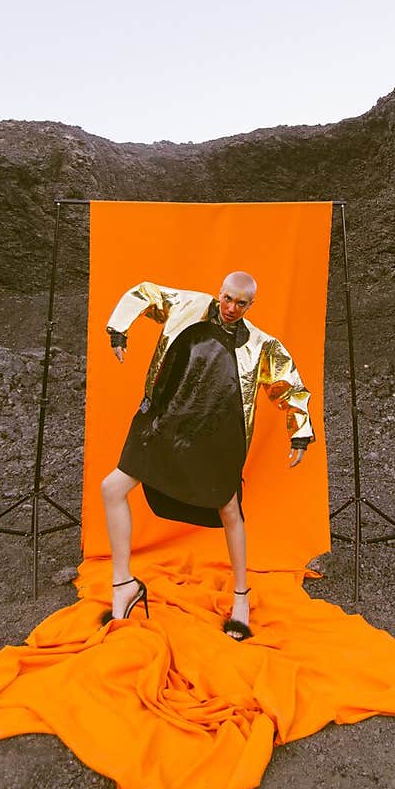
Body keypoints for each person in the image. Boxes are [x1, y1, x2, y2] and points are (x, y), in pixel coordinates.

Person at [99, 270, 315, 640]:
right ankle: (123, 584)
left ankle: (241, 598)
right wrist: (120, 328)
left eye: (241, 303)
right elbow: (146, 292)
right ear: (220, 293)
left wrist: (300, 432)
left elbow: (288, 385)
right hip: (164, 423)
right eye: (227, 298)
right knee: (112, 488)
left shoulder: (261, 344)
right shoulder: (188, 305)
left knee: (230, 510)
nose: (231, 308)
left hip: (215, 437)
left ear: (251, 305)